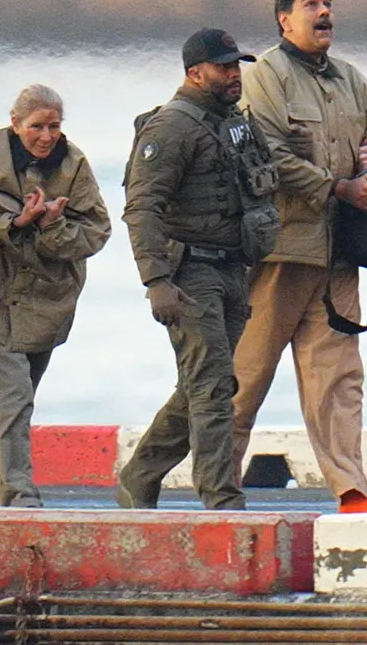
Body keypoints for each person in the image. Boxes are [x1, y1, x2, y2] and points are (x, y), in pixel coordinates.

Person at [231, 0, 367, 514]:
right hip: (281, 252)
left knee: (340, 378)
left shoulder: (354, 82)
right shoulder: (265, 79)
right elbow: (270, 155)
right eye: (310, 5)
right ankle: (220, 486)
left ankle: (352, 490)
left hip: (339, 256)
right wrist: (338, 186)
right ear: (284, 19)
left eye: (328, 4)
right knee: (245, 376)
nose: (323, 13)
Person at [116, 28, 279, 510]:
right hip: (190, 274)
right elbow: (142, 208)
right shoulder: (171, 128)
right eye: (224, 67)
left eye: (237, 67)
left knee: (205, 384)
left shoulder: (233, 123)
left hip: (232, 268)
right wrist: (156, 281)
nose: (235, 75)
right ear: (194, 72)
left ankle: (139, 475)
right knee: (210, 385)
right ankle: (220, 499)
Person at [0, 84, 111, 508]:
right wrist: (14, 223)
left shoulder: (74, 165)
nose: (47, 136)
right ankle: (18, 498)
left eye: (54, 126)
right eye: (37, 126)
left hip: (45, 301)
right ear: (15, 125)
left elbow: (97, 231)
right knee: (7, 395)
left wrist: (51, 226)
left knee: (9, 398)